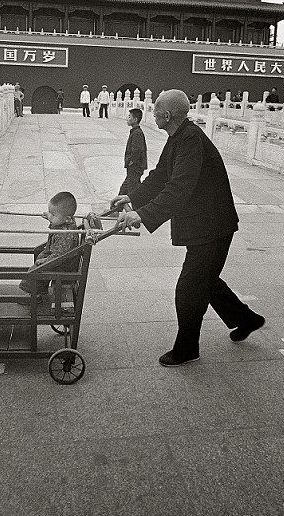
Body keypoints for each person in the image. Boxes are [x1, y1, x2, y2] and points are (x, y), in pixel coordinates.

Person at [110, 89, 265, 367]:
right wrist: (133, 198)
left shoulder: (190, 140)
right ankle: (247, 319)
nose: (153, 114)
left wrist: (141, 216)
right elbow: (161, 177)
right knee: (206, 280)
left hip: (213, 226)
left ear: (167, 115)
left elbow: (178, 188)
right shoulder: (179, 136)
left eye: (156, 111)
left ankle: (187, 348)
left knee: (189, 287)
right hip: (204, 224)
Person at [18, 191, 79, 302]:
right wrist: (50, 217)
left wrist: (46, 261)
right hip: (59, 259)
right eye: (49, 211)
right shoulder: (66, 222)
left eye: (53, 214)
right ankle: (39, 291)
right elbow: (58, 222)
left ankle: (34, 296)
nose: (49, 215)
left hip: (63, 265)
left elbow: (59, 255)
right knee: (39, 264)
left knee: (36, 270)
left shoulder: (66, 236)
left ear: (68, 219)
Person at [118, 108, 148, 196]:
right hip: (133, 167)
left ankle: (137, 209)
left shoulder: (137, 133)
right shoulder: (135, 131)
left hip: (135, 167)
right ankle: (116, 207)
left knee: (133, 192)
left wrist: (131, 162)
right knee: (125, 189)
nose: (127, 118)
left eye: (129, 117)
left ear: (135, 120)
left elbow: (137, 150)